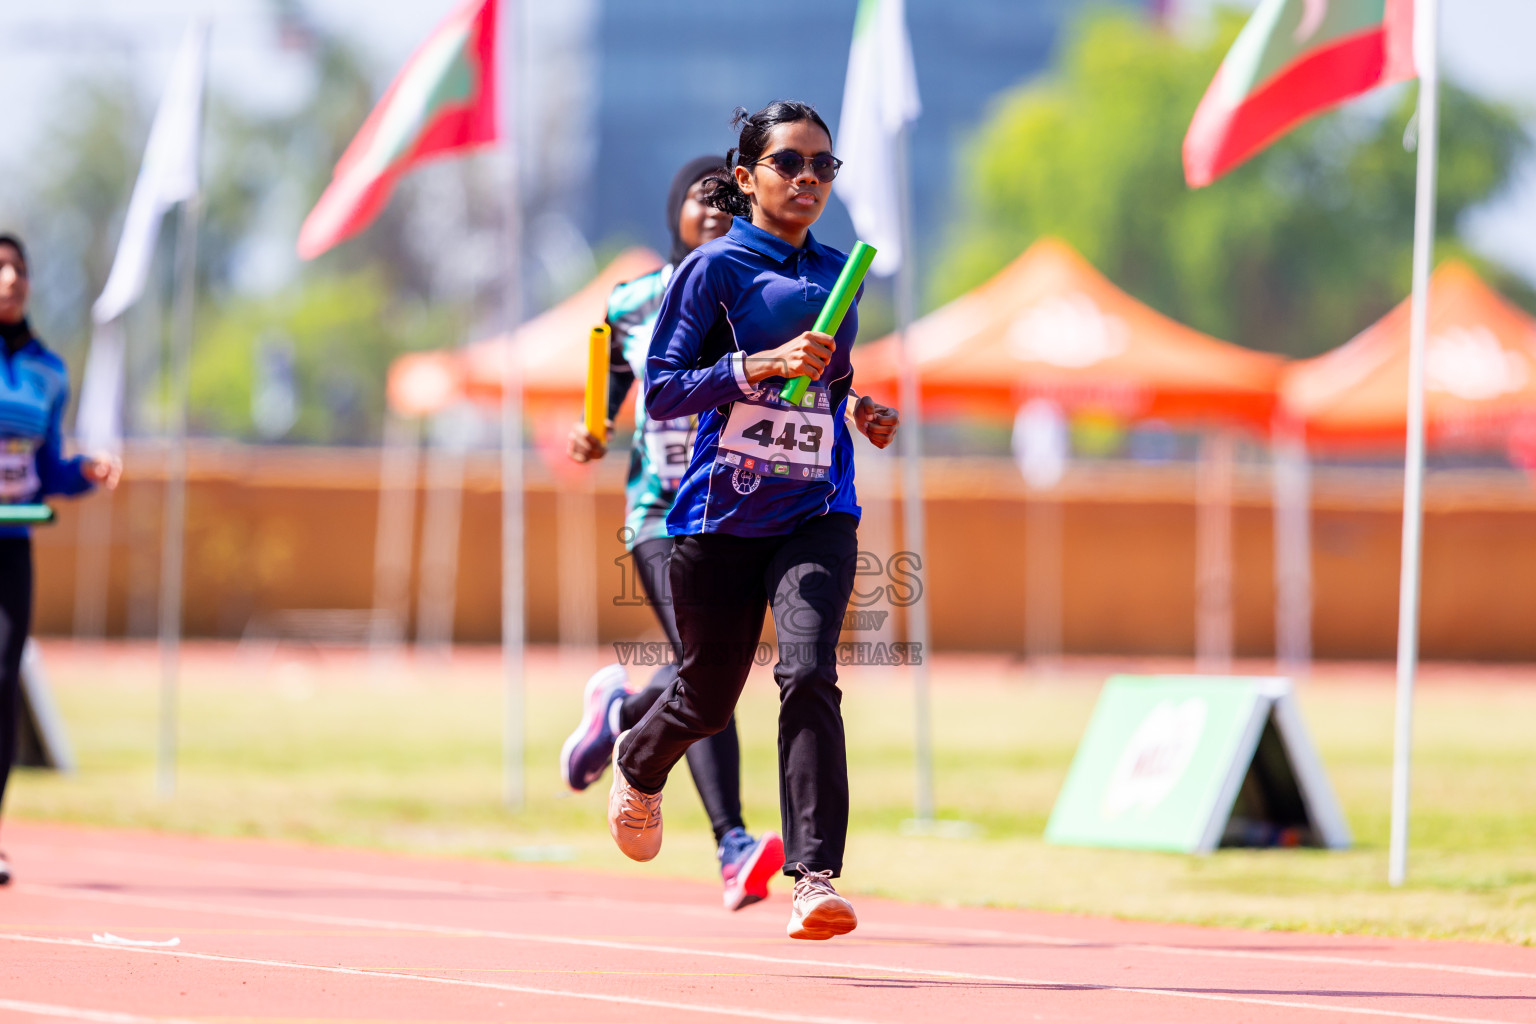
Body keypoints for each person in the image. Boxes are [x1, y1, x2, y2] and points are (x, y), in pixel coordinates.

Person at [606, 102, 900, 941]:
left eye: (823, 167)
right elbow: (661, 391)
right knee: (704, 695)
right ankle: (637, 759)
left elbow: (824, 390)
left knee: (808, 674)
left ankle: (813, 877)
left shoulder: (842, 275)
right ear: (746, 177)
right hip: (719, 514)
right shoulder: (714, 270)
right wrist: (756, 365)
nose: (809, 180)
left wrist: (861, 409)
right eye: (790, 164)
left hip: (816, 510)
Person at [560, 156, 786, 912]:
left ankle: (620, 714)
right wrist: (592, 430)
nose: (718, 207)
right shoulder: (633, 301)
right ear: (675, 215)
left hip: (734, 512)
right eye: (703, 196)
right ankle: (734, 846)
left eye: (732, 199)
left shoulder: (761, 299)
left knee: (708, 669)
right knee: (705, 664)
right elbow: (611, 390)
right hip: (660, 512)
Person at [0, 234, 120, 886]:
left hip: (12, 544)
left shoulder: (48, 370)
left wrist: (84, 472)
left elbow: (45, 470)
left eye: (20, 268)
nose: (11, 278)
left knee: (1, 683)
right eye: (0, 269)